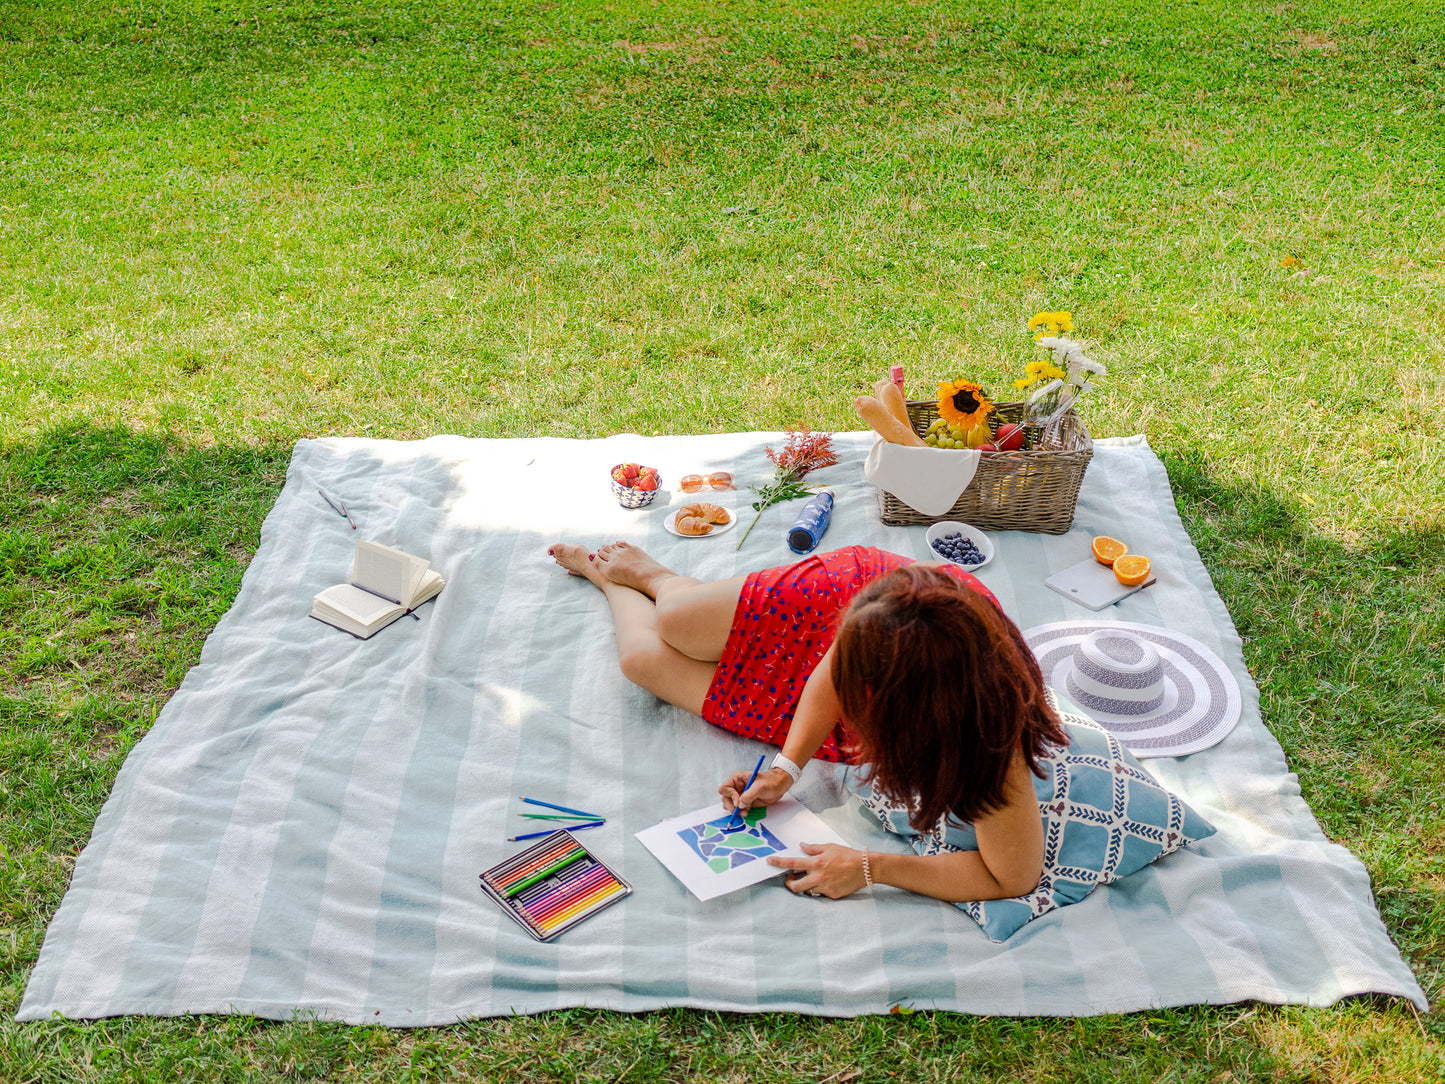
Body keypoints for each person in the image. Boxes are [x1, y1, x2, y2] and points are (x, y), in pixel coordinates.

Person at [545, 541, 1067, 905]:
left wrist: (870, 868)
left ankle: (607, 581)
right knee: (674, 621)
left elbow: (1012, 877)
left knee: (641, 662)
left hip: (900, 656)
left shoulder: (990, 745)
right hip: (841, 592)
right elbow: (831, 676)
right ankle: (659, 580)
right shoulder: (881, 613)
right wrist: (787, 768)